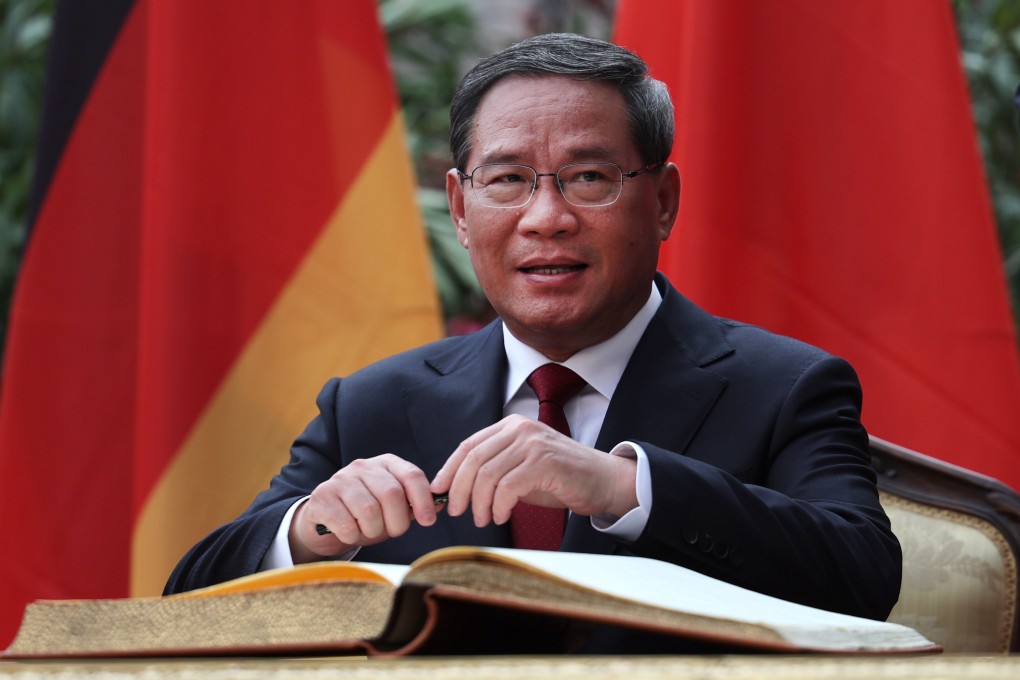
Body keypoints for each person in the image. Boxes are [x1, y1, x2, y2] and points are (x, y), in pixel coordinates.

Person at [165, 33, 901, 629]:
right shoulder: (371, 403)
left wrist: (624, 486)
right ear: (459, 208)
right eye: (508, 180)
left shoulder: (783, 387)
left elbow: (863, 576)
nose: (546, 218)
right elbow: (187, 602)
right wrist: (307, 529)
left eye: (589, 178)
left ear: (663, 201)